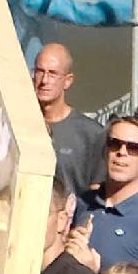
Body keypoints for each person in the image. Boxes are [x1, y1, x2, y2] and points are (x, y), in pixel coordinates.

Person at [76, 116, 138, 271]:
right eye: (114, 144)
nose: (122, 152)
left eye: (133, 148)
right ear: (105, 150)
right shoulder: (82, 203)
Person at [29, 42, 105, 193]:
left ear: (68, 81)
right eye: (39, 71)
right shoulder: (19, 125)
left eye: (53, 74)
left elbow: (98, 192)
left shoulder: (91, 134)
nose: (44, 80)